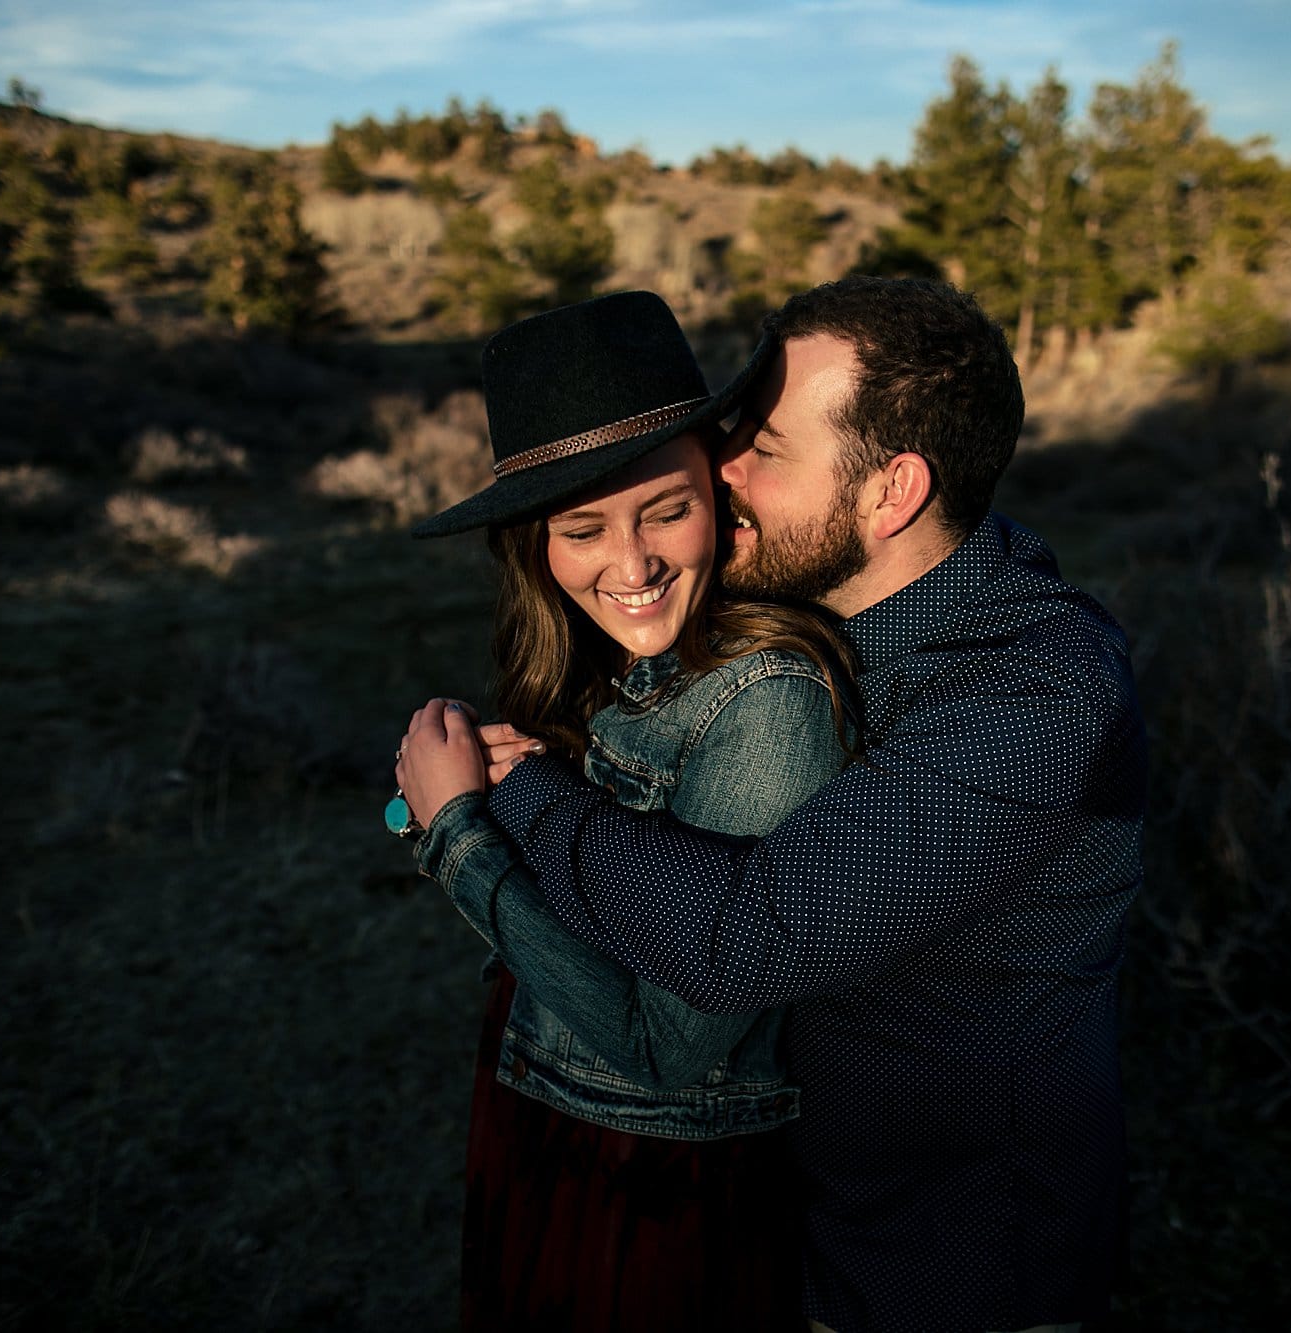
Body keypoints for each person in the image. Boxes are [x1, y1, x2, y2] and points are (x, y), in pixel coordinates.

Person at [470, 277, 1148, 1333]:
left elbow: (747, 941)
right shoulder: (828, 608)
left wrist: (514, 795)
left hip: (942, 1263)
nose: (718, 466)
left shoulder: (1035, 696)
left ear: (891, 492)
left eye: (763, 449)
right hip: (788, 1211)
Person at [389, 290, 857, 1333]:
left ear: (719, 493)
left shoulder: (766, 705)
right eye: (582, 528)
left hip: (656, 1192)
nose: (631, 564)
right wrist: (464, 795)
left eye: (665, 508)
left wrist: (460, 840)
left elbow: (670, 1051)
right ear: (533, 545)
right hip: (549, 1123)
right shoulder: (606, 666)